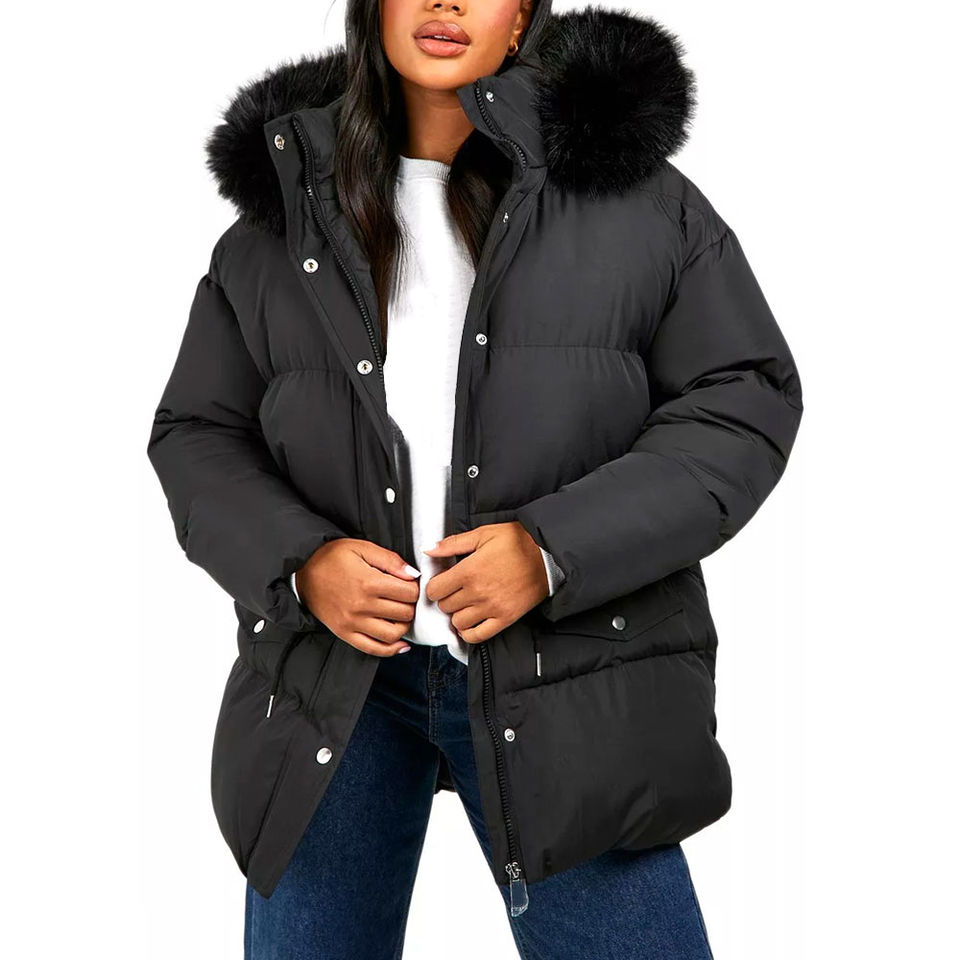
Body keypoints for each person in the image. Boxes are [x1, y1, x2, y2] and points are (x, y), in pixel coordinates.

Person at [147, 1, 803, 956]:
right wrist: (302, 565)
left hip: (571, 673)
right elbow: (198, 431)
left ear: (523, 16)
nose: (447, 2)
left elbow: (742, 400)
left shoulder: (639, 201)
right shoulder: (284, 213)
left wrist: (551, 552)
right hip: (336, 683)